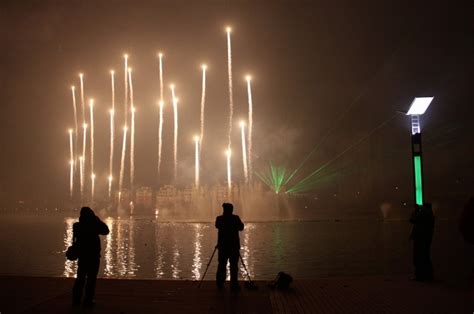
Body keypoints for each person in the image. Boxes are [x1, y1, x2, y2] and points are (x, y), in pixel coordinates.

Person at [72, 207, 110, 307]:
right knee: (91, 280)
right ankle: (88, 301)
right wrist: (97, 219)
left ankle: (76, 300)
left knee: (80, 278)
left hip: (83, 256)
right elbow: (106, 230)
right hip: (93, 256)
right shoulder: (94, 225)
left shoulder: (77, 226)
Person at [215, 203, 244, 290]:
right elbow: (241, 227)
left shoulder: (219, 218)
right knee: (234, 266)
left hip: (223, 246)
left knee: (222, 265)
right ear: (231, 210)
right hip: (234, 246)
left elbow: (217, 226)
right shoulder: (235, 218)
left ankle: (220, 284)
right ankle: (234, 284)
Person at [410, 203, 435, 281]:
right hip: (425, 239)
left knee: (419, 257)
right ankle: (426, 275)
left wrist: (416, 211)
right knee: (425, 257)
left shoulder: (423, 215)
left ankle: (420, 276)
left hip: (420, 239)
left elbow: (412, 220)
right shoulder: (430, 216)